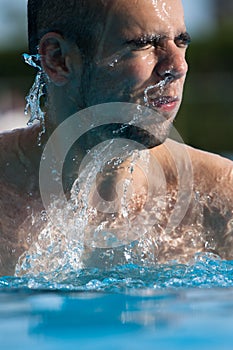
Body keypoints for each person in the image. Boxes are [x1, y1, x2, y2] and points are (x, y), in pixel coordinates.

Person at [0, 0, 232, 276]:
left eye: (181, 42)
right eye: (142, 44)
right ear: (57, 59)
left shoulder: (220, 200)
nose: (178, 66)